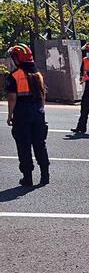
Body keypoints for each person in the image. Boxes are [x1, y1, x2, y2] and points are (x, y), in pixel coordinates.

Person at [5, 44, 49, 187]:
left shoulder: (14, 76)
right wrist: (41, 111)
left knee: (24, 146)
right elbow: (42, 95)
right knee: (40, 144)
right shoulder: (38, 75)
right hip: (38, 112)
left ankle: (27, 178)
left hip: (22, 114)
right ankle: (45, 176)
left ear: (18, 58)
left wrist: (10, 115)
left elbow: (12, 98)